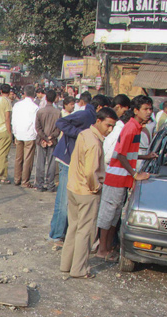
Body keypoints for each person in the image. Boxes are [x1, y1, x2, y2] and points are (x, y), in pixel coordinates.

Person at [60, 107, 119, 279]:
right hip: (86, 191)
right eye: (108, 125)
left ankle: (66, 264)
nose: (110, 130)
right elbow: (90, 172)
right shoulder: (94, 142)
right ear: (99, 121)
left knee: (73, 228)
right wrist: (96, 188)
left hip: (73, 187)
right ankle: (79, 269)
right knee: (85, 232)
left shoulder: (84, 134)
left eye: (113, 127)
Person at [96, 95, 155, 260]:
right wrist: (136, 174)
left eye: (150, 109)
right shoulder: (130, 128)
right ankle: (102, 249)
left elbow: (128, 154)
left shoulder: (137, 128)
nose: (148, 112)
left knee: (114, 216)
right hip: (116, 178)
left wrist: (145, 157)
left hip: (122, 178)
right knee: (108, 215)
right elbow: (120, 155)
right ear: (135, 111)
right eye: (145, 109)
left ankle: (107, 248)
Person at [49, 92, 99, 245]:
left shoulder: (92, 117)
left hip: (76, 161)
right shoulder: (86, 116)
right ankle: (56, 234)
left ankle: (64, 232)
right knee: (63, 200)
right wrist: (80, 134)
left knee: (70, 198)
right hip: (67, 159)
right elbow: (61, 122)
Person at [11, 85, 39, 188]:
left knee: (18, 158)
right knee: (28, 159)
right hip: (29, 135)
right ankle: (25, 181)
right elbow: (35, 123)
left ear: (24, 93)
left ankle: (17, 178)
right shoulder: (35, 107)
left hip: (18, 133)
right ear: (34, 94)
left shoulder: (17, 105)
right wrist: (36, 135)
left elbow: (13, 120)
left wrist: (14, 133)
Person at [35, 89, 62, 192]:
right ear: (55, 99)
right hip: (52, 141)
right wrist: (50, 137)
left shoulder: (40, 112)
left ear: (45, 98)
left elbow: (38, 128)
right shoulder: (58, 112)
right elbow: (58, 129)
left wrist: (44, 138)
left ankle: (39, 185)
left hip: (41, 140)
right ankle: (50, 184)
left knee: (40, 163)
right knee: (51, 163)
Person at [102, 94, 131, 166]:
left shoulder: (117, 123)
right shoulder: (117, 126)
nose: (124, 115)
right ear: (118, 107)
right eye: (124, 111)